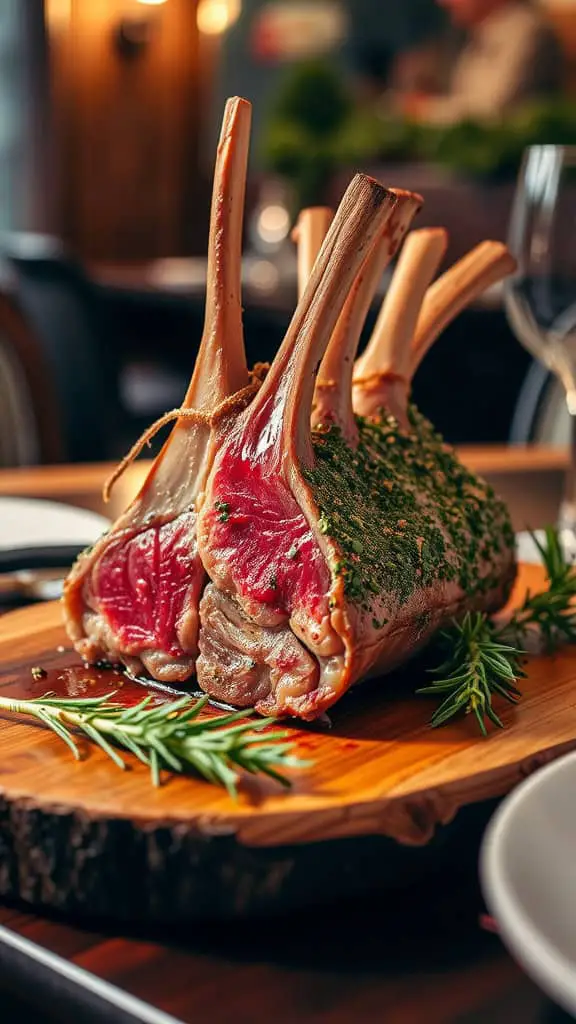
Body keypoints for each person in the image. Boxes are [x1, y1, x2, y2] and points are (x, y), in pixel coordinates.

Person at [404, 0, 564, 123]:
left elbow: (492, 117)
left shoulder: (530, 34)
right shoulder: (477, 35)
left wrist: (424, 110)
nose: (443, 2)